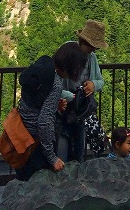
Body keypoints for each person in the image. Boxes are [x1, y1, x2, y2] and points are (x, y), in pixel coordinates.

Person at [16, 42, 87, 181]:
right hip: (35, 144)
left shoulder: (43, 66)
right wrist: (52, 157)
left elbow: (35, 102)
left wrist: (54, 106)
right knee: (38, 184)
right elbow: (44, 122)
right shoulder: (55, 84)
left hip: (21, 136)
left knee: (23, 181)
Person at [59, 20, 107, 162]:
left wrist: (93, 84)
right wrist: (70, 96)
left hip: (80, 112)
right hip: (64, 109)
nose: (94, 50)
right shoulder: (68, 52)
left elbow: (100, 80)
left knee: (78, 150)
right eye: (93, 46)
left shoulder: (91, 58)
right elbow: (55, 84)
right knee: (63, 150)